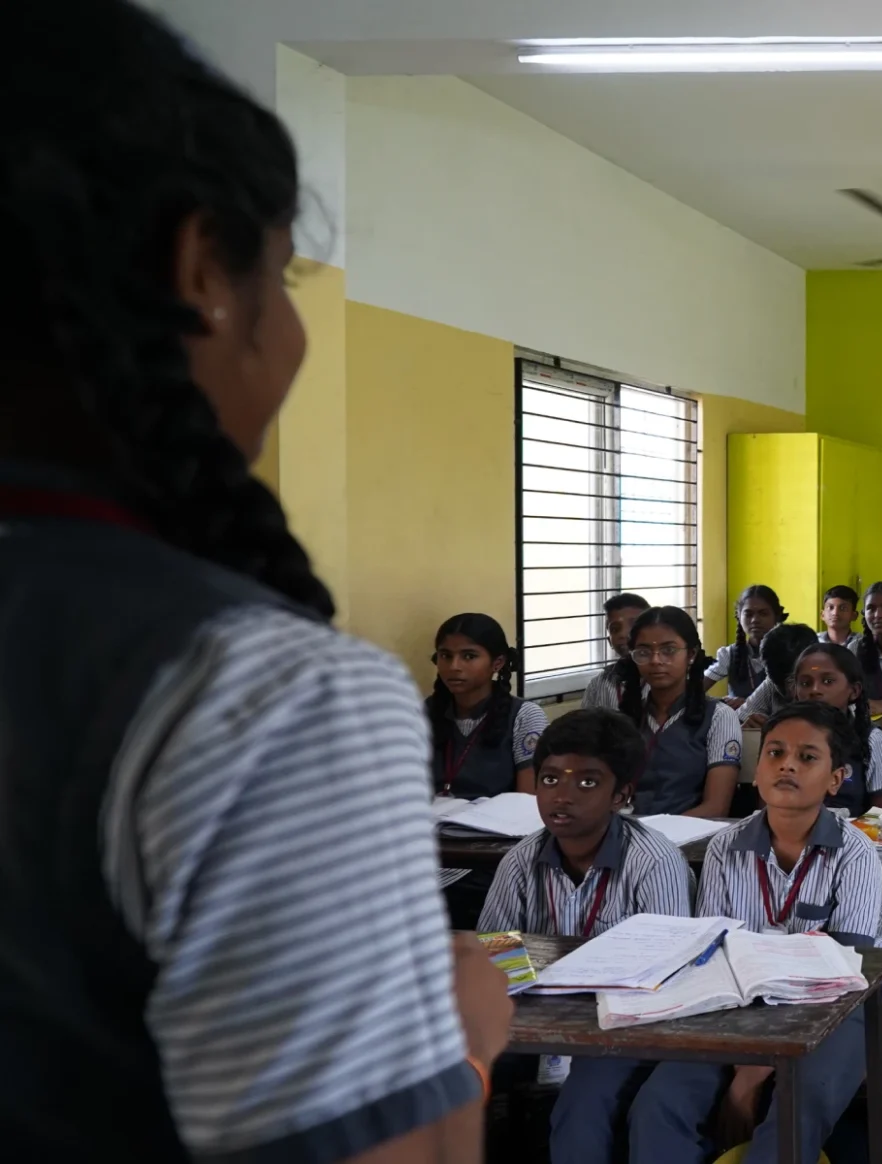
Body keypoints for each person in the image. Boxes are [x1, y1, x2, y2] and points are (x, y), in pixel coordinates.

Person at [0, 3, 507, 1153]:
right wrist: (466, 1049)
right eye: (279, 276)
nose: (290, 330)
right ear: (201, 274)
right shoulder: (260, 691)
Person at [629, 702, 882, 1164]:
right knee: (658, 1105)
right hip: (730, 1009)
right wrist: (743, 1050)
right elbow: (710, 956)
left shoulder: (856, 854)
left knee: (798, 1107)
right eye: (775, 753)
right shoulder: (725, 847)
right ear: (757, 767)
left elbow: (840, 977)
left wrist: (752, 1072)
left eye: (807, 757)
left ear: (835, 779)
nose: (787, 765)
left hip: (831, 1014)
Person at [478, 711, 696, 1164]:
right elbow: (494, 959)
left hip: (624, 1030)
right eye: (550, 779)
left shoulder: (654, 862)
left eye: (587, 782)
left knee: (581, 1112)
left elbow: (666, 977)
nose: (562, 795)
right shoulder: (520, 861)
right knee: (453, 1080)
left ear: (622, 795)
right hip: (536, 1026)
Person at [618, 606, 742, 818]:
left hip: (690, 831)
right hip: (625, 829)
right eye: (644, 652)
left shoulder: (718, 717)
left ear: (691, 654)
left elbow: (716, 807)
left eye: (668, 650)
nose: (656, 660)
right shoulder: (624, 718)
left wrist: (656, 832)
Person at [427, 611, 547, 798]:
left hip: (502, 816)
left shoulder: (524, 716)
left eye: (469, 656)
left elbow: (528, 802)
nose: (453, 666)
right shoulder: (421, 713)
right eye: (445, 655)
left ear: (497, 663)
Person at [786, 642, 882, 809]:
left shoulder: (873, 741)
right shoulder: (783, 738)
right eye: (805, 683)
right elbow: (769, 806)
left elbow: (878, 814)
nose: (814, 690)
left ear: (854, 691)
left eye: (827, 681)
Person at [707, 584, 785, 705]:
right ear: (739, 617)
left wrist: (746, 703)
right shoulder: (729, 655)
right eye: (748, 614)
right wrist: (722, 703)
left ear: (776, 616)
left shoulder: (791, 651)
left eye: (763, 614)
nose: (755, 620)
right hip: (740, 718)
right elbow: (693, 692)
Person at [736, 623, 819, 729]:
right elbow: (736, 721)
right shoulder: (771, 683)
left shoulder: (833, 682)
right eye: (781, 686)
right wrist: (742, 729)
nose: (792, 692)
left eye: (802, 682)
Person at [582, 591, 652, 710]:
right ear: (609, 641)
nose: (623, 634)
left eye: (633, 626)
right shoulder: (598, 686)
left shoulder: (669, 679)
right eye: (615, 629)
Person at [816, 584, 861, 648]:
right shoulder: (814, 642)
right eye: (830, 607)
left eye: (843, 608)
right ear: (822, 614)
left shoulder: (863, 643)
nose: (835, 613)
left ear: (854, 615)